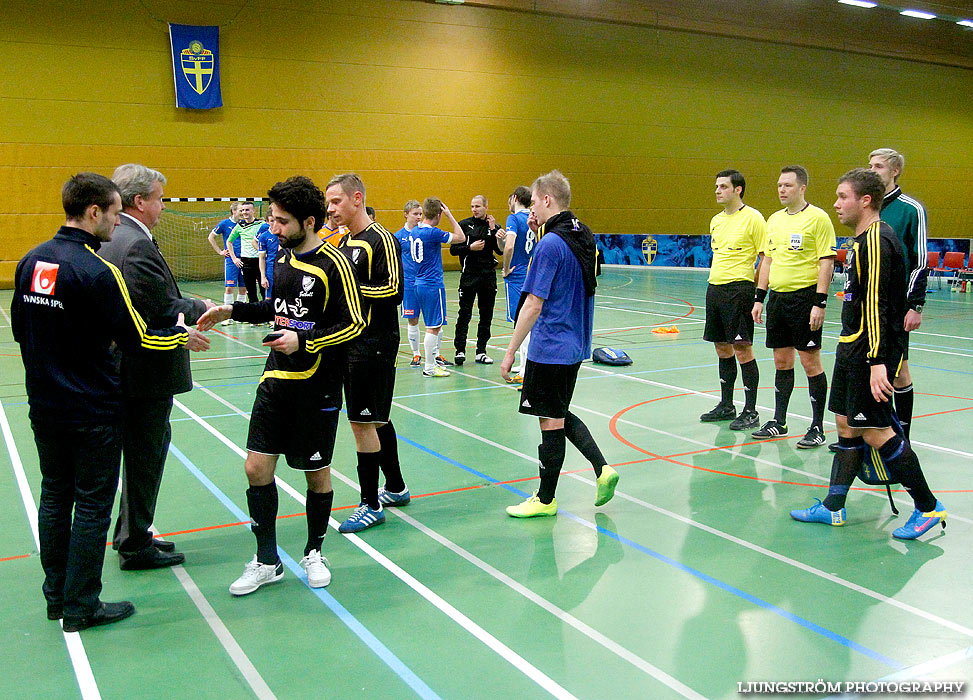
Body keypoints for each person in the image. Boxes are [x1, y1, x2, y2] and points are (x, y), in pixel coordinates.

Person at [11, 173, 207, 630]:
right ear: (94, 212)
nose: (118, 222)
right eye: (116, 213)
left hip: (44, 405)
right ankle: (83, 604)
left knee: (55, 496)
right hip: (92, 409)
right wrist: (182, 335)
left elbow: (23, 332)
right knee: (93, 504)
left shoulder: (31, 260)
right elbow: (136, 337)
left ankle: (57, 596)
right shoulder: (97, 271)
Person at [197, 176, 366, 594]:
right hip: (276, 378)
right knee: (256, 466)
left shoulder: (335, 264)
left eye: (281, 221)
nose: (273, 228)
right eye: (271, 219)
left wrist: (304, 340)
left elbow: (355, 322)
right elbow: (278, 306)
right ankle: (267, 559)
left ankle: (313, 550)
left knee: (315, 473)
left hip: (318, 386)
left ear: (308, 221)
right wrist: (232, 309)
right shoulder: (283, 258)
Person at [791, 169, 945, 540]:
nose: (836, 203)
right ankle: (833, 507)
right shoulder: (863, 240)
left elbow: (877, 306)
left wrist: (878, 363)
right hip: (852, 346)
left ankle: (928, 507)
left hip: (869, 353)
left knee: (876, 431)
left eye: (842, 196)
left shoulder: (878, 239)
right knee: (846, 425)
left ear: (865, 201)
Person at [97, 164, 213, 571]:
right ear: (140, 201)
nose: (163, 206)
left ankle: (133, 533)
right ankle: (135, 543)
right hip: (143, 371)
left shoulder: (118, 238)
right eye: (160, 198)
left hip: (129, 368)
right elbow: (158, 308)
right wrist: (203, 308)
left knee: (142, 454)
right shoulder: (135, 244)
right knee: (145, 456)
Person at [500, 170, 618, 517]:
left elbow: (534, 303)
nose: (532, 207)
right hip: (576, 342)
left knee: (549, 421)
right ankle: (603, 469)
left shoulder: (550, 245)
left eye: (535, 201)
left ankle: (546, 499)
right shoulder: (583, 235)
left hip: (550, 344)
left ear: (547, 200)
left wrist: (509, 352)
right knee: (559, 412)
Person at [329, 174, 410, 532]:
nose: (331, 209)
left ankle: (370, 504)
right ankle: (395, 487)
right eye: (328, 203)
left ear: (356, 198)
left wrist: (349, 289)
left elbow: (393, 290)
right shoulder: (345, 243)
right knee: (376, 418)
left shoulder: (382, 239)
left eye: (336, 201)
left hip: (373, 343)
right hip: (351, 341)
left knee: (362, 422)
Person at [751, 166, 836, 448]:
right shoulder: (773, 220)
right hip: (778, 299)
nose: (781, 190)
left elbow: (826, 260)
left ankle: (817, 427)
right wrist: (759, 298)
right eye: (779, 185)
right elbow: (768, 261)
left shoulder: (818, 219)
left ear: (802, 188)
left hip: (805, 298)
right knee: (781, 361)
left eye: (787, 185)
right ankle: (779, 420)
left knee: (810, 362)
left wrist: (819, 303)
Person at [867, 148, 928, 441]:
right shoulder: (868, 206)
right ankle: (873, 430)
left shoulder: (910, 209)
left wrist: (915, 304)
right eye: (870, 165)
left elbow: (921, 260)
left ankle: (902, 435)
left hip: (897, 306)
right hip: (868, 306)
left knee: (899, 369)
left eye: (878, 166)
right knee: (867, 364)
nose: (872, 170)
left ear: (895, 171)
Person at [699, 169, 766, 430]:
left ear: (738, 189)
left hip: (740, 290)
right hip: (714, 288)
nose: (717, 191)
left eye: (723, 186)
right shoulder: (716, 220)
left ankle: (751, 411)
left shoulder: (754, 219)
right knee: (721, 347)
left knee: (742, 348)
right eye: (716, 186)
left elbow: (765, 258)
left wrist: (757, 293)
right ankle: (727, 405)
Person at [410, 198, 466, 378]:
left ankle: (432, 363)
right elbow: (461, 237)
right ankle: (429, 367)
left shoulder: (415, 230)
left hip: (419, 283)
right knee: (433, 326)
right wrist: (450, 215)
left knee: (433, 325)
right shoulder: (432, 233)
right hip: (432, 285)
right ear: (439, 214)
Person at [451, 195, 504, 365]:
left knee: (486, 314)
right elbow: (453, 249)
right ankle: (460, 349)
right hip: (469, 276)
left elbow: (500, 251)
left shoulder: (494, 226)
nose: (474, 209)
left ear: (486, 207)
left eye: (478, 206)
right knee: (464, 313)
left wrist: (495, 231)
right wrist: (469, 248)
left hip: (488, 276)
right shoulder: (464, 225)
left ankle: (481, 350)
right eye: (472, 206)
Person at [501, 186, 534, 384]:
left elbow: (510, 246)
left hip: (518, 273)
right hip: (532, 270)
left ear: (514, 198)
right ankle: (524, 364)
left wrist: (505, 268)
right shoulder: (533, 218)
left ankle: (524, 369)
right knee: (529, 319)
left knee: (522, 322)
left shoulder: (513, 218)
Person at [395, 200, 424, 367]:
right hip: (409, 283)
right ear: (406, 214)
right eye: (415, 214)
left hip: (425, 282)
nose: (418, 217)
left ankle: (435, 354)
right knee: (412, 318)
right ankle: (416, 354)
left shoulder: (425, 233)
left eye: (420, 214)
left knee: (432, 319)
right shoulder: (398, 237)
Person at [207, 202, 246, 321]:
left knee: (243, 288)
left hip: (244, 259)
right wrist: (220, 251)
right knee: (229, 287)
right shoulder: (225, 223)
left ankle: (241, 315)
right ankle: (227, 316)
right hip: (231, 260)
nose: (243, 213)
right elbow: (211, 237)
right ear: (234, 211)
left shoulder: (245, 224)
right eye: (240, 210)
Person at [227, 201, 271, 301]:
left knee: (264, 289)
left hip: (260, 260)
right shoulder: (239, 226)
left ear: (253, 211)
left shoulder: (262, 224)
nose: (244, 212)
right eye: (242, 210)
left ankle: (266, 313)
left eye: (247, 210)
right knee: (251, 291)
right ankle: (254, 315)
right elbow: (229, 242)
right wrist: (234, 258)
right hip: (246, 261)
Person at [257, 212, 279, 298]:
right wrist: (263, 277)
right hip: (271, 269)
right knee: (269, 297)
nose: (275, 223)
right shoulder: (264, 236)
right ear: (267, 222)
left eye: (277, 220)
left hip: (284, 268)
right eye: (272, 221)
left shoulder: (285, 234)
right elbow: (261, 258)